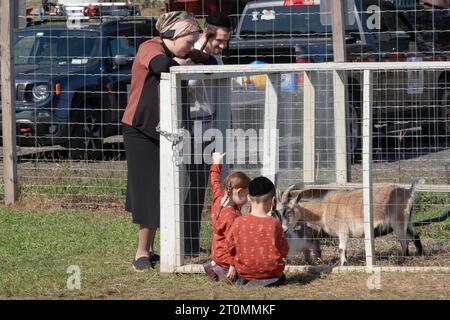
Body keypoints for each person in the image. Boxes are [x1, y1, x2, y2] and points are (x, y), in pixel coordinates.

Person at [121, 11, 202, 272]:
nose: (191, 47)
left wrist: (200, 53)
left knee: (172, 188)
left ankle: (165, 246)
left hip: (168, 131)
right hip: (141, 130)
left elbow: (206, 57)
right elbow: (161, 67)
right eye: (189, 41)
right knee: (149, 192)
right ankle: (142, 251)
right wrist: (184, 64)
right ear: (174, 35)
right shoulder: (150, 47)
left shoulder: (180, 51)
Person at [184, 11, 233, 257]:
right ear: (206, 32)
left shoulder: (215, 56)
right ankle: (187, 244)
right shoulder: (191, 53)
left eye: (226, 41)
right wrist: (202, 50)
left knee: (208, 187)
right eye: (219, 41)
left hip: (214, 127)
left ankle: (199, 244)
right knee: (192, 189)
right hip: (194, 128)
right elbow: (189, 82)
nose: (223, 46)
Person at [226, 177, 289, 287]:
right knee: (281, 277)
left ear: (249, 198)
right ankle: (266, 280)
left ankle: (247, 280)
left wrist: (233, 264)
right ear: (273, 200)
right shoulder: (275, 224)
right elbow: (284, 250)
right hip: (271, 274)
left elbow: (229, 246)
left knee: (243, 275)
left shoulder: (238, 222)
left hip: (244, 273)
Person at [203, 152, 250, 282]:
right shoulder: (231, 216)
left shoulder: (218, 198)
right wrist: (233, 265)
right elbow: (232, 244)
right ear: (239, 192)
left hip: (216, 252)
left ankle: (213, 265)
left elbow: (215, 181)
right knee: (245, 276)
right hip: (226, 257)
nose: (248, 200)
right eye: (247, 196)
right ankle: (220, 270)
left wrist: (216, 162)